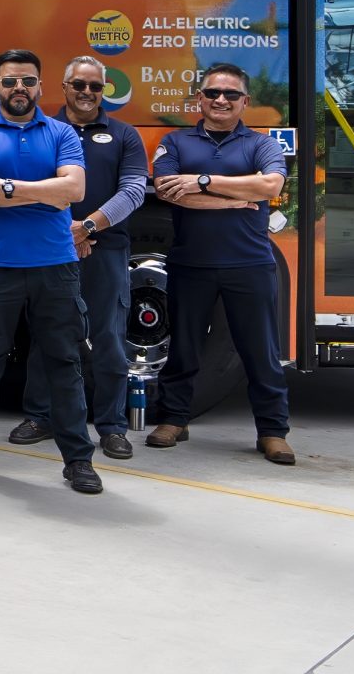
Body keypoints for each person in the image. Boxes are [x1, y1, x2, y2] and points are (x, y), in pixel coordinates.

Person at [0, 49, 101, 495]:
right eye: (10, 81)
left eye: (28, 81)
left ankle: (78, 462)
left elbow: (75, 189)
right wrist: (46, 192)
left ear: (40, 86)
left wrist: (9, 186)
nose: (19, 89)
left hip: (56, 267)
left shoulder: (62, 132)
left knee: (64, 364)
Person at [146, 61, 295, 465]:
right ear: (200, 98)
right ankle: (174, 420)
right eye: (213, 93)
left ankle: (272, 431)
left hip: (250, 265)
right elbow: (168, 191)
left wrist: (203, 181)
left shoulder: (261, 144)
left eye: (230, 94)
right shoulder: (176, 143)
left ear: (245, 101)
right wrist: (240, 198)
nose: (221, 100)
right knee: (184, 348)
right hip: (190, 264)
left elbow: (271, 185)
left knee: (260, 351)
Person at [11, 55, 149, 461]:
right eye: (79, 85)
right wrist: (64, 233)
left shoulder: (125, 135)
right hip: (50, 250)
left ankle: (111, 426)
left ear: (104, 91)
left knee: (107, 336)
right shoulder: (41, 131)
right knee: (47, 332)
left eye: (95, 86)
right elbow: (30, 187)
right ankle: (40, 416)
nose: (87, 93)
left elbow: (133, 192)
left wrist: (86, 228)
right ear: (64, 87)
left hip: (106, 249)